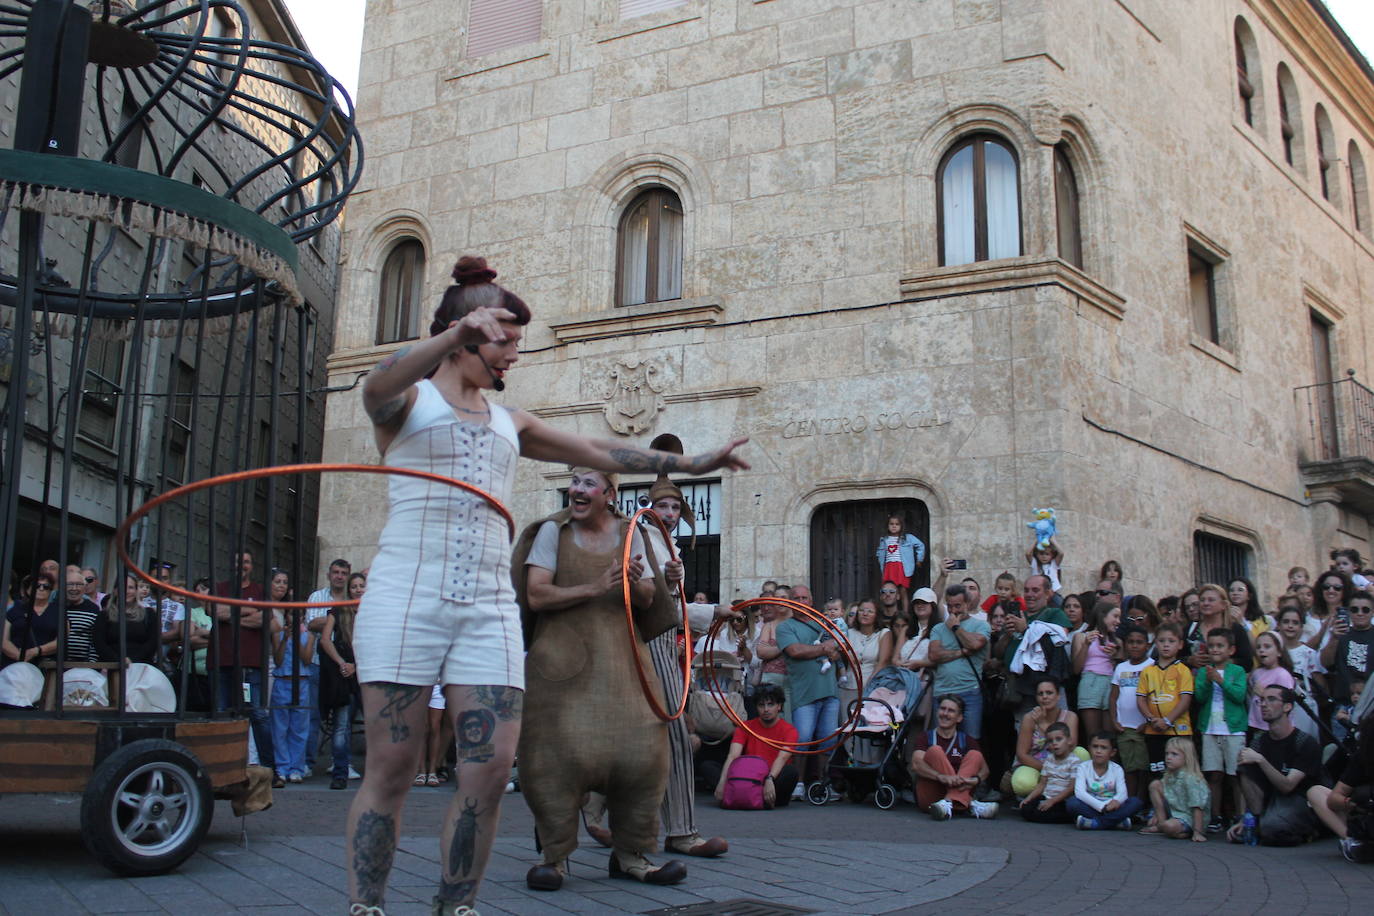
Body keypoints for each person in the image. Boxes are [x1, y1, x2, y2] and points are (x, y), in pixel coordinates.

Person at [345, 255, 748, 914]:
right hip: (404, 595)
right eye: (503, 342)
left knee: (487, 770)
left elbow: (602, 453)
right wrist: (450, 334)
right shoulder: (408, 404)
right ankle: (367, 906)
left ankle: (457, 907)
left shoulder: (513, 423)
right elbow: (372, 388)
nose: (511, 358)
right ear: (464, 330)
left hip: (486, 608)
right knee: (390, 769)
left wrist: (695, 460)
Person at [515, 467, 681, 890]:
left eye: (588, 483)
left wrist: (633, 582)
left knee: (643, 753)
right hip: (561, 666)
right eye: (574, 482)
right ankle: (554, 858)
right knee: (556, 757)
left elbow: (647, 599)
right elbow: (536, 594)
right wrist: (595, 586)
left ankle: (632, 855)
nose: (576, 490)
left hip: (624, 662)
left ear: (610, 493)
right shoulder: (555, 532)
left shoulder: (631, 533)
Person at [1226, 686, 1347, 845]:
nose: (1263, 704)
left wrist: (1261, 760)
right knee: (1246, 766)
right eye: (1262, 700)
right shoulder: (1259, 742)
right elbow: (1251, 779)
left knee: (1274, 829)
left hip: (1302, 799)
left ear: (1287, 707)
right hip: (1274, 799)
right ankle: (1256, 822)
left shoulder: (1304, 742)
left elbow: (1288, 786)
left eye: (1271, 699)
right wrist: (1246, 819)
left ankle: (1313, 830)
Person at [777, 581, 841, 801]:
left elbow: (838, 647)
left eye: (805, 598)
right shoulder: (786, 627)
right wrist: (823, 649)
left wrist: (834, 652)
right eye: (797, 598)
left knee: (828, 741)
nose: (802, 602)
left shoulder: (823, 622)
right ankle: (798, 784)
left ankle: (824, 785)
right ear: (790, 602)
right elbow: (795, 651)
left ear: (812, 602)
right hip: (804, 693)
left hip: (830, 691)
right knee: (802, 741)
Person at [213, 549, 274, 779]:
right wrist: (249, 610)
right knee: (221, 713)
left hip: (251, 664)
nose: (242, 565)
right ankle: (221, 767)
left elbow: (265, 618)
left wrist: (232, 614)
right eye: (238, 562)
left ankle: (269, 768)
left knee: (257, 714)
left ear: (252, 565)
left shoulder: (260, 590)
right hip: (222, 661)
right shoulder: (220, 588)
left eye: (246, 561)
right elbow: (214, 611)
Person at [704, 684, 799, 808]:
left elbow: (782, 758)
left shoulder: (790, 730)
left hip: (772, 779)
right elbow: (733, 756)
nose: (766, 709)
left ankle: (742, 797)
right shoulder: (745, 727)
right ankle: (748, 797)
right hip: (747, 777)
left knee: (791, 772)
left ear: (779, 706)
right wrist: (722, 782)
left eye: (770, 704)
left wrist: (769, 779)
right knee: (708, 766)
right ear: (756, 707)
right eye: (761, 705)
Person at [1195, 627, 1248, 834]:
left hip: (1233, 729)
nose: (1215, 650)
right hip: (1210, 728)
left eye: (1220, 646)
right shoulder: (1203, 671)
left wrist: (1220, 681)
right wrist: (1208, 682)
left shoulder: (1238, 671)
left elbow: (1239, 695)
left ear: (1231, 649)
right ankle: (1215, 815)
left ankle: (1240, 814)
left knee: (1236, 775)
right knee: (1214, 774)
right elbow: (1199, 697)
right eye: (1212, 646)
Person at [911, 695, 997, 819]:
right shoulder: (925, 737)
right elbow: (916, 764)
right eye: (942, 709)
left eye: (951, 711)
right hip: (931, 794)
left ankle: (949, 803)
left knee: (975, 754)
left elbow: (985, 770)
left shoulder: (967, 740)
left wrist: (975, 780)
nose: (945, 713)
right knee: (935, 751)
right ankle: (969, 804)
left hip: (958, 788)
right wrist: (941, 777)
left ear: (959, 717)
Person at [305, 558, 353, 776]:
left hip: (346, 667)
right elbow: (311, 624)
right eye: (336, 572)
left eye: (344, 573)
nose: (339, 576)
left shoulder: (353, 599)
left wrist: (330, 618)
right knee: (315, 715)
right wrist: (340, 618)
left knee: (345, 718)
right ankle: (307, 762)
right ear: (329, 574)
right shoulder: (317, 597)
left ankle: (340, 761)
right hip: (318, 663)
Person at [320, 572, 364, 789]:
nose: (357, 589)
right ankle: (340, 772)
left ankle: (377, 774)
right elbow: (325, 639)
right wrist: (342, 663)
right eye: (354, 586)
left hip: (366, 676)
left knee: (376, 727)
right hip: (344, 677)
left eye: (361, 586)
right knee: (341, 726)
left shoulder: (374, 613)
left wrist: (358, 665)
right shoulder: (338, 611)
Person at [927, 585, 990, 739]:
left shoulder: (981, 625)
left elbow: (974, 645)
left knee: (970, 740)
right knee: (940, 740)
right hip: (942, 692)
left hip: (970, 691)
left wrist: (956, 628)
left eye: (958, 606)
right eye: (950, 606)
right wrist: (961, 652)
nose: (953, 611)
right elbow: (934, 655)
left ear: (967, 604)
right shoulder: (938, 629)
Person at [270, 585, 318, 785]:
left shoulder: (308, 635)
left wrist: (297, 638)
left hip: (302, 683)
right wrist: (285, 638)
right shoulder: (278, 633)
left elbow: (306, 659)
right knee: (280, 728)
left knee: (299, 728)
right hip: (283, 681)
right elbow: (279, 659)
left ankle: (296, 767)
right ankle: (281, 766)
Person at [1137, 622, 1193, 778]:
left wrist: (1168, 721)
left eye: (1171, 641)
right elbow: (1141, 699)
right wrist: (1151, 719)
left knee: (1180, 774)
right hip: (1153, 730)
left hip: (1178, 730)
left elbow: (1185, 699)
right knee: (1158, 774)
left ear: (1180, 644)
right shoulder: (1147, 671)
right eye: (1162, 641)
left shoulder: (1183, 670)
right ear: (1155, 643)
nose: (1166, 645)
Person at [1011, 677, 1083, 797]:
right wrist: (1049, 770)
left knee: (1081, 752)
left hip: (1064, 763)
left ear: (1058, 696)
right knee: (1022, 783)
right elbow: (1022, 754)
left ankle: (1067, 792)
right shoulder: (1029, 718)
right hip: (1036, 765)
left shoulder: (1070, 717)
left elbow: (1070, 746)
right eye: (1041, 694)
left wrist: (1043, 725)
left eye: (1049, 693)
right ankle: (1039, 794)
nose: (1045, 697)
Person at [1107, 625, 1153, 800]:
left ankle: (1140, 801)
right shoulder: (1120, 668)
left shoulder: (1152, 666)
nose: (1134, 646)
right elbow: (1113, 697)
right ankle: (1129, 800)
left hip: (1143, 726)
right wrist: (1114, 720)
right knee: (1128, 766)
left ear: (1147, 645)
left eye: (1139, 642)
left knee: (1143, 767)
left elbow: (1154, 698)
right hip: (1124, 726)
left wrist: (1148, 721)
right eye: (1131, 642)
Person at [1069, 732, 1143, 830]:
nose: (1098, 751)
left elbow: (1122, 793)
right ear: (1089, 748)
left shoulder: (1117, 769)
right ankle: (1116, 822)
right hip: (1092, 806)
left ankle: (1096, 823)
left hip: (1113, 807)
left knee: (1136, 802)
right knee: (1072, 803)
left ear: (1112, 752)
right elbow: (1080, 793)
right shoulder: (1083, 767)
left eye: (1103, 748)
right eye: (1095, 746)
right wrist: (1102, 807)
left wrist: (1114, 802)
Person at [1140, 737, 1209, 841]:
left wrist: (1198, 832)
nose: (1168, 757)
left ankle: (1172, 829)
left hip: (1190, 818)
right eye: (1167, 754)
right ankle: (1161, 822)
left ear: (1187, 757)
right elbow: (1166, 795)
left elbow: (1197, 807)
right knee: (1155, 784)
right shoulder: (1170, 774)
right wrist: (1155, 814)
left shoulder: (1191, 778)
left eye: (1174, 754)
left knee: (1170, 827)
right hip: (1175, 811)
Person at [1072, 600, 1121, 738]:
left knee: (1109, 736)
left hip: (1111, 684)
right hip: (1090, 681)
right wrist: (1086, 645)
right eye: (1115, 616)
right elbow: (1076, 669)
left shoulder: (1118, 642)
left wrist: (1115, 657)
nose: (1118, 621)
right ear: (1102, 616)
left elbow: (1122, 671)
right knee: (1093, 735)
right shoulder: (1081, 636)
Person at [1322, 590, 1374, 713]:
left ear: (1372, 612)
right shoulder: (1339, 633)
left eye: (1365, 609)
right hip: (1344, 705)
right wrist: (1334, 639)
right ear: (1349, 612)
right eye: (1355, 609)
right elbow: (1325, 663)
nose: (1360, 613)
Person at [840, 596, 892, 715]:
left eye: (870, 611)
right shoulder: (849, 633)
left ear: (876, 615)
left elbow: (883, 662)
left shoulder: (884, 633)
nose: (865, 614)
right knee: (847, 724)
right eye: (862, 610)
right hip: (849, 686)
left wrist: (868, 686)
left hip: (872, 688)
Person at [92, 575, 160, 665]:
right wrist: (118, 661)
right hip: (110, 667)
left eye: (131, 587)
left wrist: (132, 660)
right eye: (123, 587)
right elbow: (99, 643)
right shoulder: (104, 615)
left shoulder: (149, 614)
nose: (126, 591)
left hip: (141, 668)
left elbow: (152, 642)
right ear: (115, 590)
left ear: (136, 591)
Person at [1017, 722, 1078, 823]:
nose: (1054, 743)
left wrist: (1052, 801)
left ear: (1069, 740)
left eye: (1059, 739)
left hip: (1062, 800)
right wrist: (1028, 798)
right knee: (1026, 808)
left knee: (1051, 812)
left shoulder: (1074, 761)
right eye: (1050, 741)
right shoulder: (1049, 760)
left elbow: (1071, 788)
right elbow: (1042, 784)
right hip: (1047, 796)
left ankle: (1066, 817)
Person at [1190, 582, 1254, 670]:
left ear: (1223, 605)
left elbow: (1247, 662)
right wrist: (1190, 660)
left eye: (1211, 600)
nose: (1205, 603)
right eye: (1202, 600)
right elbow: (1176, 658)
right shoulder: (1190, 629)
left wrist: (1223, 661)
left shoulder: (1235, 629)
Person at [2, 574, 58, 667]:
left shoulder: (58, 612)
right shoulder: (16, 609)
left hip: (46, 667)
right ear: (28, 589)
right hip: (14, 666)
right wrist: (19, 656)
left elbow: (61, 641)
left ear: (51, 590)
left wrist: (36, 651)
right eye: (36, 586)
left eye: (46, 586)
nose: (41, 589)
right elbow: (3, 640)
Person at [875, 515, 924, 615]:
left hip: (901, 567)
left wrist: (919, 559)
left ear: (901, 526)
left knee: (902, 591)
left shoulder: (907, 538)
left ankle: (905, 614)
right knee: (888, 591)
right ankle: (888, 614)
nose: (894, 526)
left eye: (897, 524)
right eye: (891, 524)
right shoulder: (884, 539)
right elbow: (880, 552)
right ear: (887, 526)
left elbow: (920, 545)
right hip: (889, 567)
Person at [1249, 631, 1297, 732]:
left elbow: (1286, 702)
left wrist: (1263, 694)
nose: (1261, 650)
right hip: (1256, 724)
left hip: (1275, 728)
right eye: (1258, 647)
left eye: (1267, 647)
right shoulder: (1256, 673)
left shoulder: (1282, 675)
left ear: (1279, 652)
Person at [62, 569, 101, 663]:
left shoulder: (93, 609)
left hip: (83, 666)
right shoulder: (56, 607)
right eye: (70, 584)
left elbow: (96, 641)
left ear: (84, 587)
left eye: (78, 584)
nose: (74, 588)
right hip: (55, 664)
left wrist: (90, 666)